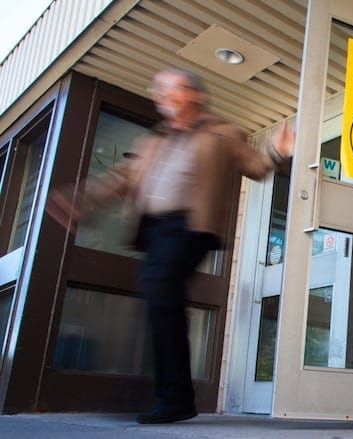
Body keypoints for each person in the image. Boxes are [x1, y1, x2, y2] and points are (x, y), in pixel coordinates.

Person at [46, 68, 294, 424]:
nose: (161, 94)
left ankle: (176, 399)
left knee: (161, 289)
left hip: (192, 227)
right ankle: (175, 396)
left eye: (170, 88)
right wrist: (79, 200)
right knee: (162, 300)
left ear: (194, 95)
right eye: (158, 88)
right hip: (157, 230)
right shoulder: (153, 142)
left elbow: (254, 165)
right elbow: (121, 178)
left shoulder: (221, 133)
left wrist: (276, 150)